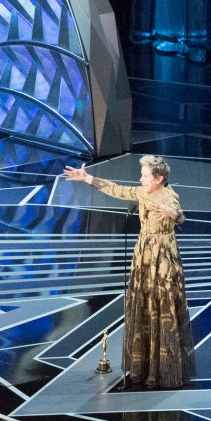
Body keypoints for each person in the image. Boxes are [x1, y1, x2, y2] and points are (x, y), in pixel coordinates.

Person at [64, 155, 194, 388]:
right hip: (143, 253)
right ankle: (143, 365)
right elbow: (118, 190)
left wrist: (172, 214)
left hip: (162, 258)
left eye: (145, 176)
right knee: (144, 304)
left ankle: (162, 368)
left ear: (159, 178)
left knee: (160, 306)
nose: (141, 179)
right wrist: (87, 178)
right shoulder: (143, 192)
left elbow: (179, 215)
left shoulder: (168, 196)